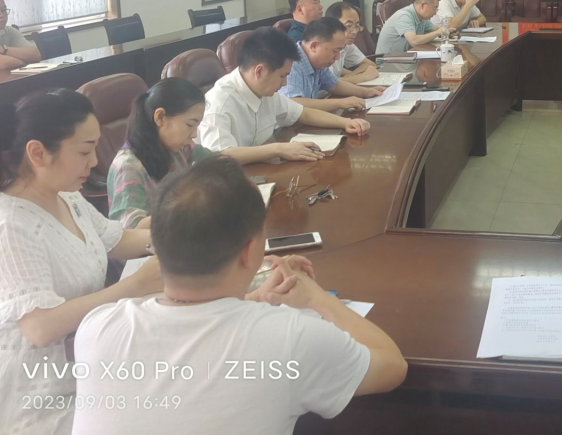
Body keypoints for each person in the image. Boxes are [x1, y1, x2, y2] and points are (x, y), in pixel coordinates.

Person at [72, 155, 408, 435]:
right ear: (250, 252)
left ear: (157, 245)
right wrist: (318, 298)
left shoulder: (98, 328)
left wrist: (256, 298)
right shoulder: (290, 338)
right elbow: (392, 367)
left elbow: (193, 333)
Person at [0, 89, 161, 434]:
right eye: (85, 151)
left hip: (88, 354)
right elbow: (40, 327)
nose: (95, 162)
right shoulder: (10, 225)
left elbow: (117, 239)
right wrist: (136, 284)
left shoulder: (67, 196)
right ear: (38, 153)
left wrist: (185, 234)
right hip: (39, 389)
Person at [198, 27, 370, 164]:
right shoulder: (219, 102)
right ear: (259, 71)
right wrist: (279, 149)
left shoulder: (264, 91)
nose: (285, 83)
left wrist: (346, 123)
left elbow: (303, 113)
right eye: (282, 76)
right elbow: (221, 156)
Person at [107, 78, 215, 230]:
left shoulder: (178, 147)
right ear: (160, 117)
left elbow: (215, 161)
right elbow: (131, 228)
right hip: (153, 243)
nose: (194, 134)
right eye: (190, 124)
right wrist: (188, 208)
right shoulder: (127, 167)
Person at [281, 18, 385, 112]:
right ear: (314, 46)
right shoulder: (291, 63)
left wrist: (367, 92)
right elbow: (293, 103)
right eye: (335, 51)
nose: (337, 57)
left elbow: (334, 85)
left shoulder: (317, 62)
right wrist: (340, 103)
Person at [376, 0, 444, 55]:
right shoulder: (404, 16)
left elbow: (437, 29)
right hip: (388, 59)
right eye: (434, 8)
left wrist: (445, 31)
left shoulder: (422, 17)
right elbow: (414, 41)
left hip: (405, 56)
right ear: (423, 5)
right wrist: (437, 32)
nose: (435, 13)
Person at [324, 2, 378, 83]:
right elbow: (326, 84)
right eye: (348, 26)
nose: (354, 32)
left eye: (357, 26)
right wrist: (360, 77)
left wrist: (351, 76)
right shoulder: (323, 49)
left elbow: (370, 64)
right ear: (331, 25)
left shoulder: (346, 45)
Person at [0, 0, 41, 71]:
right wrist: (24, 62)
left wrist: (3, 49)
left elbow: (35, 55)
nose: (1, 15)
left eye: (3, 10)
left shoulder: (9, 31)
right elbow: (4, 64)